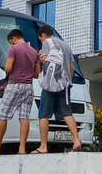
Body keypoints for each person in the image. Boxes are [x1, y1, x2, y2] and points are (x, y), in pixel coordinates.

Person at [0, 29, 40, 155]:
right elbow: (37, 74)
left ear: (13, 38)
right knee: (24, 118)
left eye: (11, 42)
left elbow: (8, 68)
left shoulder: (14, 49)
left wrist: (11, 72)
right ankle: (22, 149)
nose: (11, 44)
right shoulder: (34, 52)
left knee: (3, 116)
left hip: (14, 85)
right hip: (28, 87)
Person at [33, 24, 82, 153]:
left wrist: (39, 55)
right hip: (64, 84)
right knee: (67, 113)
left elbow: (44, 59)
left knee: (43, 114)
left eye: (40, 39)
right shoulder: (66, 45)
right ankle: (76, 141)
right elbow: (71, 66)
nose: (41, 41)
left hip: (50, 83)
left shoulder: (47, 42)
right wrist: (67, 81)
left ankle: (43, 146)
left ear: (43, 35)